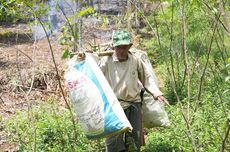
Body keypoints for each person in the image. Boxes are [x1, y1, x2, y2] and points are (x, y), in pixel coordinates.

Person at [98, 29, 168, 152]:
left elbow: (146, 78)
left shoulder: (135, 60)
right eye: (118, 47)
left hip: (134, 104)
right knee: (114, 141)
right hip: (115, 105)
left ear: (129, 46)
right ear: (114, 47)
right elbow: (96, 78)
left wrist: (156, 93)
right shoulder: (106, 62)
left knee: (134, 140)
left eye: (124, 47)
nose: (121, 50)